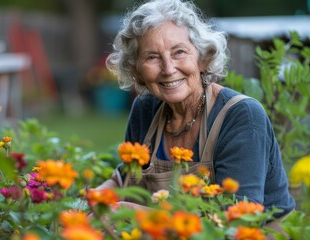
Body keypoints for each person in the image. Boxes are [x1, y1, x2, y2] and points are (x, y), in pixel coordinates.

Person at [95, 0, 295, 219]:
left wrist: (132, 212)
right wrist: (97, 198)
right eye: (152, 57)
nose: (168, 69)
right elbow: (126, 176)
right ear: (136, 71)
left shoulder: (241, 116)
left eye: (179, 52)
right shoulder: (145, 110)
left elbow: (238, 220)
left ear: (202, 58)